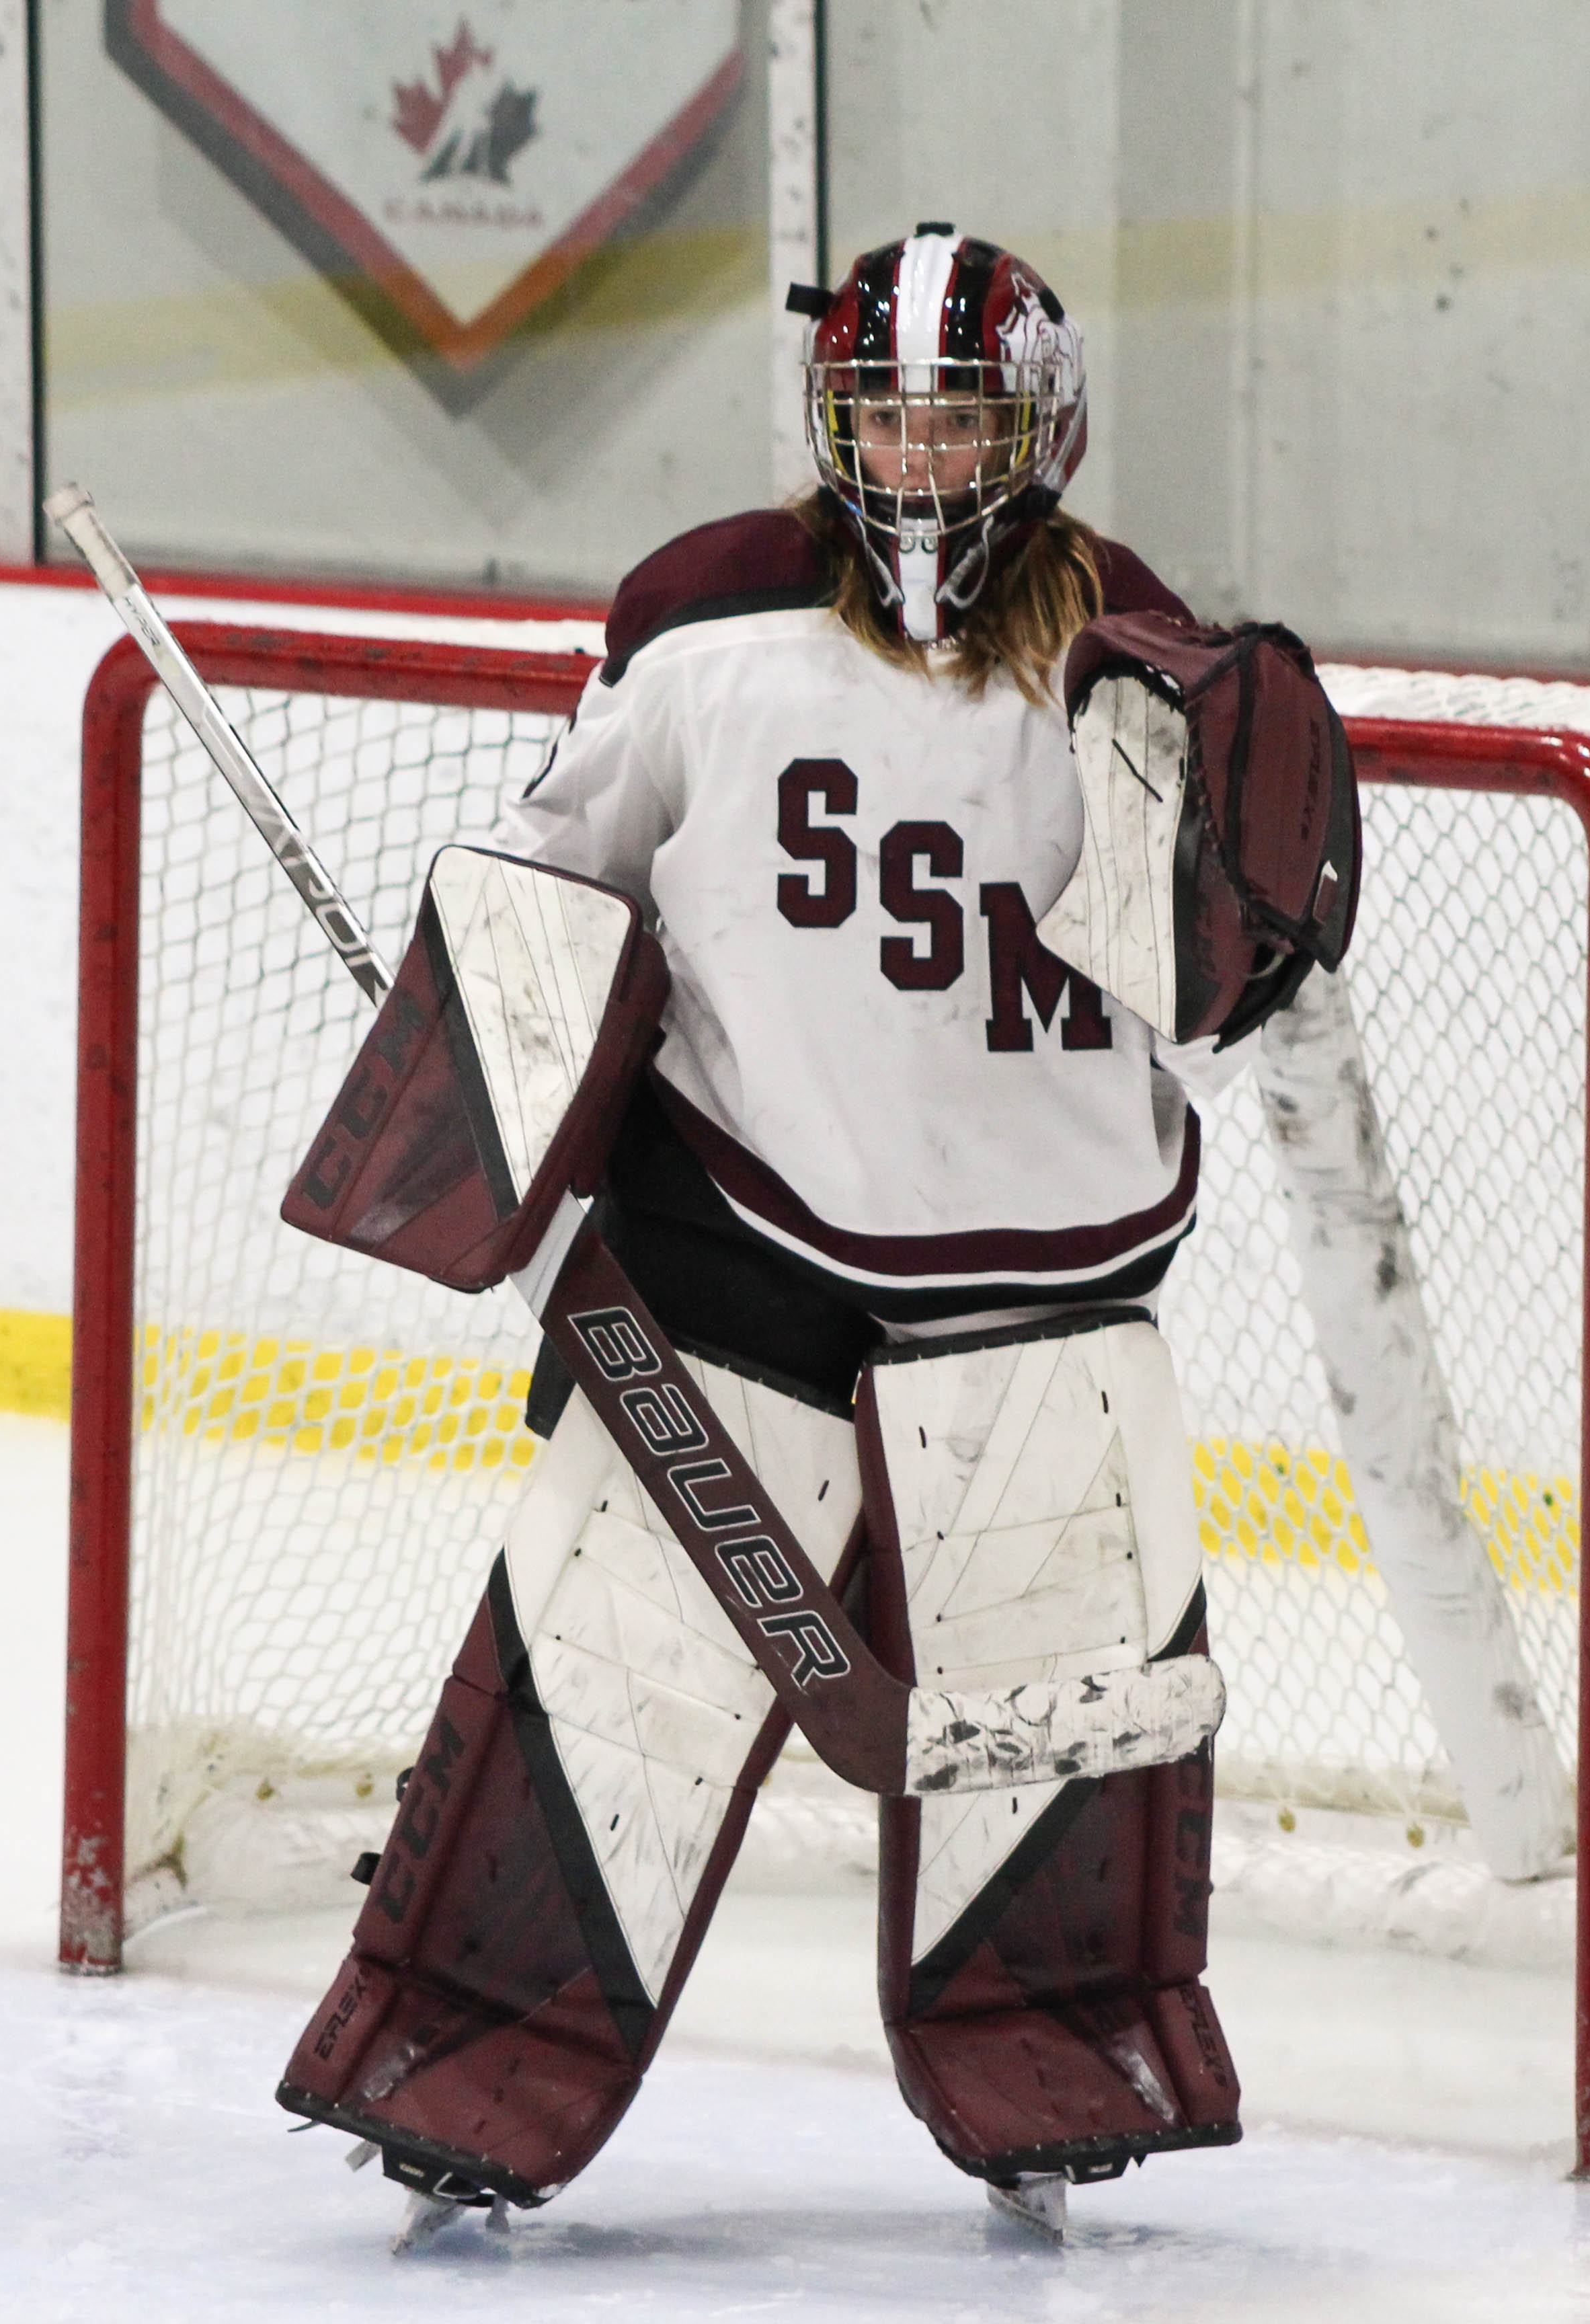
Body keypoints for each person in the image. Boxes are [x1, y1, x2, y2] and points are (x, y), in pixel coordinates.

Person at [274, 225, 1248, 2244]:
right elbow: (563, 874)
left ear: (1039, 425)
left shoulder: (1146, 663)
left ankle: (1064, 2053)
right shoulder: (705, 623)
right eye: (878, 419)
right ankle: (463, 2052)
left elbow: (1227, 979)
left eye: (955, 417)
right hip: (738, 1266)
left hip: (1048, 1290)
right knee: (602, 1685)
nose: (913, 460)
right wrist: (497, 1088)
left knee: (1056, 1721)